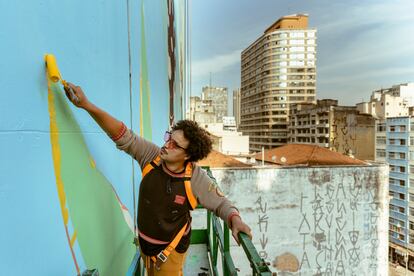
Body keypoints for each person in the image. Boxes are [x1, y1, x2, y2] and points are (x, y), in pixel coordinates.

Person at [64, 83, 252, 275]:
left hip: (170, 254)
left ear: (188, 155)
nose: (166, 145)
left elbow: (221, 203)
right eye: (168, 138)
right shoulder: (151, 157)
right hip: (145, 248)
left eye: (175, 144)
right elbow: (122, 134)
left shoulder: (195, 178)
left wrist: (234, 220)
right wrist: (87, 105)